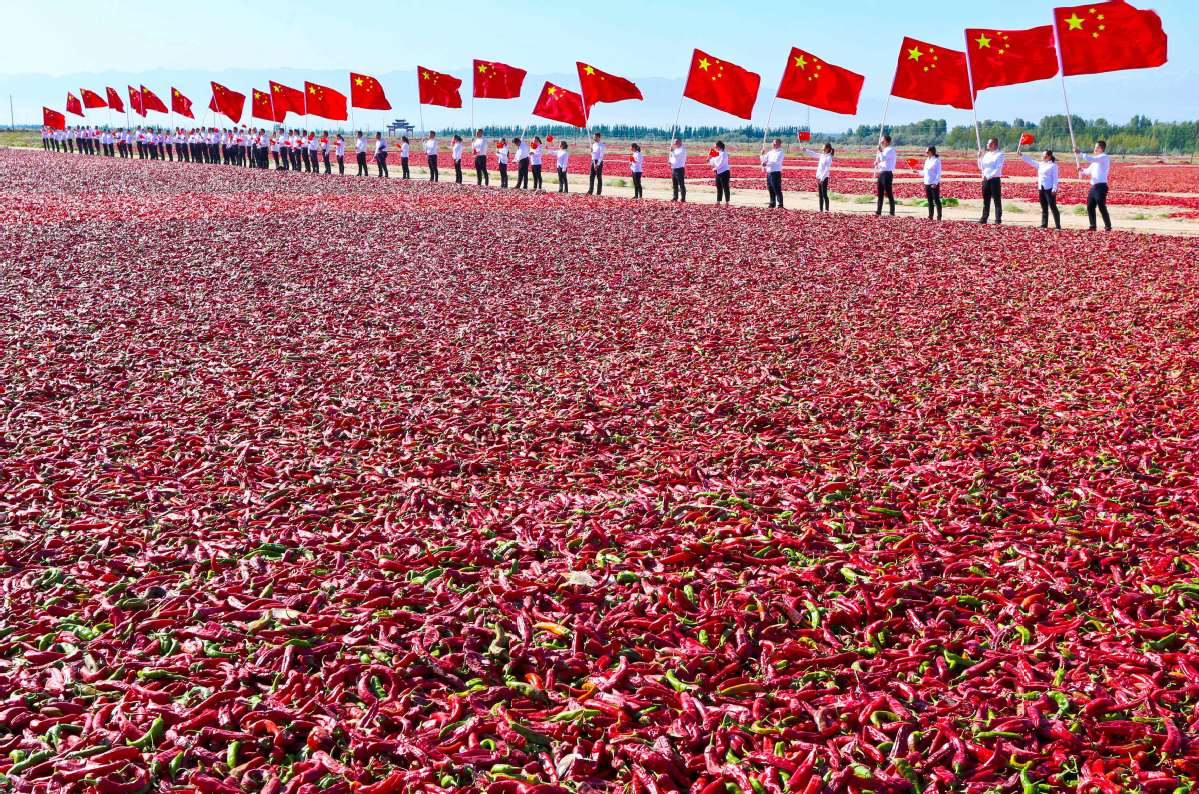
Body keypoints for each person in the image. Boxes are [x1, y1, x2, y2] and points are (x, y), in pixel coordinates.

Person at [1019, 148, 1061, 229]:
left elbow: (1055, 178)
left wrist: (1054, 189)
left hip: (1049, 189)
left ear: (1049, 156)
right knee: (1044, 207)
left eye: (1044, 156)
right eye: (1042, 155)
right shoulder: (1041, 164)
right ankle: (1044, 224)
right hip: (1041, 188)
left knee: (1053, 207)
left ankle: (1058, 226)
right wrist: (1022, 155)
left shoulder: (1053, 166)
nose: (1042, 157)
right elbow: (1031, 161)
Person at [1077, 140, 1112, 231]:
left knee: (1101, 206)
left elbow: (1091, 158)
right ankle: (1093, 226)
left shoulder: (1104, 157)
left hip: (1101, 187)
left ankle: (1108, 226)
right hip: (1094, 187)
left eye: (1097, 148)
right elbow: (1088, 172)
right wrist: (1081, 170)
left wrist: (1080, 153)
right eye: (1095, 147)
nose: (1095, 149)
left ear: (1102, 149)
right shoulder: (1095, 162)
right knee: (1090, 206)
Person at [978, 137, 1005, 224]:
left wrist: (989, 176)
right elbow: (981, 167)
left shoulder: (1000, 155)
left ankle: (998, 219)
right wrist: (979, 157)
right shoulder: (987, 154)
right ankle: (984, 217)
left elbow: (998, 168)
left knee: (996, 200)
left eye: (988, 143)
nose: (987, 145)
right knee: (986, 199)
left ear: (993, 144)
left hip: (994, 180)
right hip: (986, 179)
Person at [802, 143, 834, 212]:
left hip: (824, 178)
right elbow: (814, 154)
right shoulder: (822, 155)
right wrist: (805, 150)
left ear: (827, 149)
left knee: (824, 194)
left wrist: (822, 178)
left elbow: (826, 169)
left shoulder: (829, 157)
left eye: (823, 147)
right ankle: (821, 209)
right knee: (820, 194)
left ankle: (827, 209)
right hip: (819, 177)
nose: (822, 149)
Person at [874, 135, 896, 216]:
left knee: (889, 193)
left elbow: (884, 158)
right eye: (881, 141)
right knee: (880, 193)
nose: (881, 142)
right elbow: (883, 162)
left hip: (887, 174)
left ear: (887, 141)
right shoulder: (884, 150)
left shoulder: (890, 150)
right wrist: (877, 164)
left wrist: (879, 151)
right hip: (882, 173)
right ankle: (878, 211)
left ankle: (892, 212)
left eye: (882, 141)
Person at [760, 138, 785, 209]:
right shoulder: (770, 152)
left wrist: (765, 164)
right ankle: (772, 203)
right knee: (770, 188)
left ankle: (780, 204)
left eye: (775, 143)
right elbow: (764, 160)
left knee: (777, 189)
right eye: (773, 143)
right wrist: (762, 155)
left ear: (779, 144)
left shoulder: (780, 153)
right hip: (769, 172)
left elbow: (775, 162)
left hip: (776, 173)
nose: (773, 144)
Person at [921, 146, 943, 221]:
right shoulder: (927, 160)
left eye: (927, 152)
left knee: (936, 200)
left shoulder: (936, 160)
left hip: (933, 183)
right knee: (929, 201)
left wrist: (935, 183)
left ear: (931, 152)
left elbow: (938, 173)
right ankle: (930, 216)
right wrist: (917, 172)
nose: (926, 153)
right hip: (927, 182)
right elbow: (925, 172)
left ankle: (939, 216)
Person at [711, 141, 731, 205]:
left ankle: (727, 201)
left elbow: (722, 163)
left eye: (716, 146)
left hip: (724, 172)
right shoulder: (717, 152)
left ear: (719, 146)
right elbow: (712, 160)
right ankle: (718, 200)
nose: (715, 148)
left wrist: (715, 168)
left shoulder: (724, 153)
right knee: (718, 187)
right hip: (718, 172)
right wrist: (710, 160)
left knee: (725, 187)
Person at [669, 138, 687, 202]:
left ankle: (683, 198)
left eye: (676, 141)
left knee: (681, 184)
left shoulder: (682, 150)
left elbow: (677, 156)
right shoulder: (676, 149)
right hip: (674, 168)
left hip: (680, 169)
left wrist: (672, 151)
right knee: (674, 184)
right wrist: (670, 161)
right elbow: (673, 158)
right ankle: (675, 197)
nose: (675, 143)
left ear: (680, 142)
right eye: (674, 142)